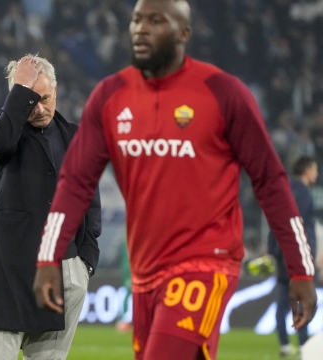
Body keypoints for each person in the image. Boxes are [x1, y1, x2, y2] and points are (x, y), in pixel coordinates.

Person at [32, 1, 318, 360]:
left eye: (156, 21)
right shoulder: (110, 96)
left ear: (184, 33)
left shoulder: (222, 93)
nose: (141, 28)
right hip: (146, 272)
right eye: (137, 20)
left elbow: (271, 182)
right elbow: (74, 183)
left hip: (207, 262)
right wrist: (48, 258)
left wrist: (300, 268)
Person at [0, 55, 101, 360]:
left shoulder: (76, 137)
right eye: (30, 101)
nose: (39, 109)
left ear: (56, 90)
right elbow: (0, 145)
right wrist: (21, 90)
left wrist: (85, 263)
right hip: (4, 272)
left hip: (62, 274)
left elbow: (90, 202)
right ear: (16, 97)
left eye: (44, 98)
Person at [268, 155, 318, 358]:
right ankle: (303, 344)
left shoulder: (289, 189)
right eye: (315, 169)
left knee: (283, 300)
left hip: (285, 254)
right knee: (302, 300)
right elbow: (294, 222)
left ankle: (285, 344)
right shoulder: (302, 192)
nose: (317, 173)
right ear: (307, 171)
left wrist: (274, 250)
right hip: (295, 255)